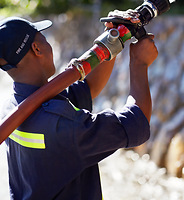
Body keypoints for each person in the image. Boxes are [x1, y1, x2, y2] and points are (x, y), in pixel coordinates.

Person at [0, 11, 158, 200]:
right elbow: (136, 122)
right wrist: (139, 63)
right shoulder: (62, 124)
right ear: (37, 48)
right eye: (44, 38)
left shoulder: (12, 107)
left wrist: (112, 43)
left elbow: (88, 88)